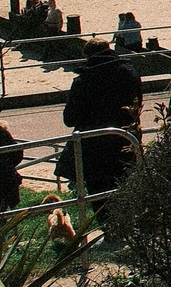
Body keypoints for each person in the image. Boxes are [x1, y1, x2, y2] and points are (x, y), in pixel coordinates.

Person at [62, 42, 144, 201]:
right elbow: (137, 106)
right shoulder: (131, 74)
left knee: (100, 199)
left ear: (88, 56)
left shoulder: (83, 81)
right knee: (129, 195)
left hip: (94, 150)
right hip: (126, 141)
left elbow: (69, 119)